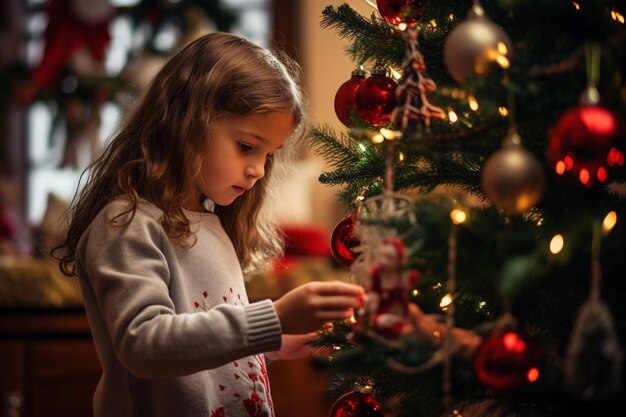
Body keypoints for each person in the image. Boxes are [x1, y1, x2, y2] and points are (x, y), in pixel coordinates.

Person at [53, 32, 364, 417]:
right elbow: (145, 345)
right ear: (188, 122)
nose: (258, 170)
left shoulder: (212, 225)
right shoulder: (126, 224)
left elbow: (202, 339)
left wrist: (275, 342)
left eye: (270, 154)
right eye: (247, 146)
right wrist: (274, 317)